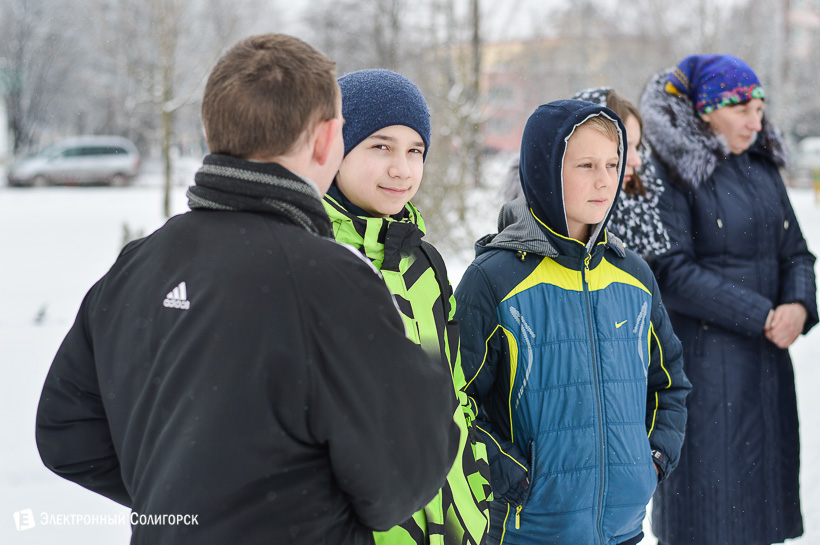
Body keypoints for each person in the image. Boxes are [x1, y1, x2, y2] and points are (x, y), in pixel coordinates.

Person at [35, 34, 460, 545]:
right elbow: (401, 479)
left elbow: (68, 435)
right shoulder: (328, 277)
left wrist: (184, 504)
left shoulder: (139, 263)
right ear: (329, 140)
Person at [454, 100, 691, 545]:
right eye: (585, 164)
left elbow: (669, 382)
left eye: (612, 164)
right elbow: (455, 403)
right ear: (544, 171)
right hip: (528, 529)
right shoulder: (493, 280)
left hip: (622, 529)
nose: (605, 180)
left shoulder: (633, 275)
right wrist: (514, 478)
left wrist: (652, 459)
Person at [640, 54, 819, 545]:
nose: (755, 121)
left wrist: (799, 307)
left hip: (765, 371)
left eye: (760, 109)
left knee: (761, 512)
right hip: (704, 370)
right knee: (711, 514)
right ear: (705, 110)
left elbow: (797, 252)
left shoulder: (762, 167)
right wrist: (762, 314)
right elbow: (669, 271)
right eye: (742, 109)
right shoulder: (671, 168)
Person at [324, 68, 491, 545]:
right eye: (381, 146)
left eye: (415, 150)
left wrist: (475, 486)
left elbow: (454, 391)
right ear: (335, 149)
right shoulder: (312, 261)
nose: (402, 168)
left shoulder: (423, 261)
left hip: (453, 524)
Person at [503, 88, 671, 260]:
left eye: (637, 147)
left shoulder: (645, 207)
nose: (637, 160)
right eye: (625, 146)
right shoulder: (514, 258)